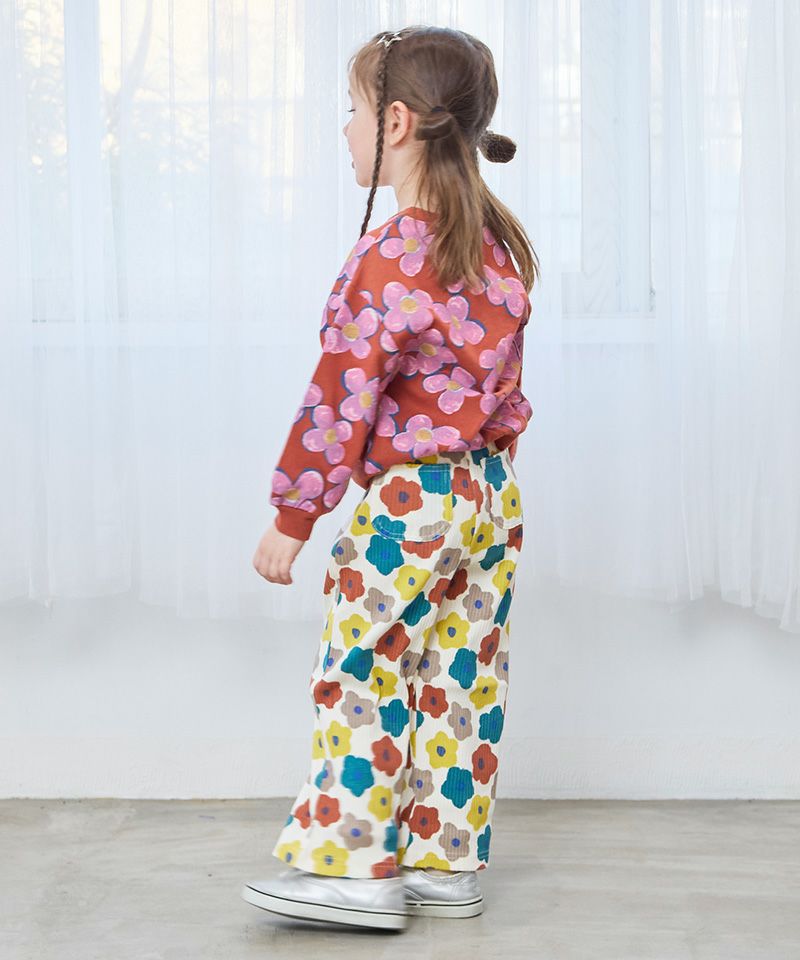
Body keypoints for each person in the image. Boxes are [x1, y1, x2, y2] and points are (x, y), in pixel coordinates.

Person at [242, 24, 539, 933]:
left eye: (354, 111)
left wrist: (295, 515)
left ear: (398, 122)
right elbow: (504, 391)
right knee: (460, 678)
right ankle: (442, 864)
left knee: (362, 671)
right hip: (490, 495)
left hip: (411, 500)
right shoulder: (496, 248)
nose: (346, 129)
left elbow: (341, 396)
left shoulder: (390, 256)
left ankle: (350, 870)